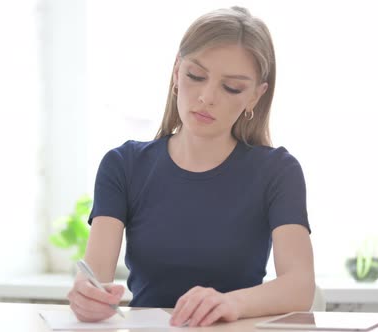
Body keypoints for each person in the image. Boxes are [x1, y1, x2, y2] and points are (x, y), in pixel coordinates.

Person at [67, 6, 315, 327]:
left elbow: (299, 287)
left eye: (232, 87)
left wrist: (229, 302)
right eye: (195, 76)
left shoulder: (278, 171)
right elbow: (93, 279)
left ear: (255, 96)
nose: (206, 97)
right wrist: (86, 297)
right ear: (176, 72)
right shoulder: (123, 165)